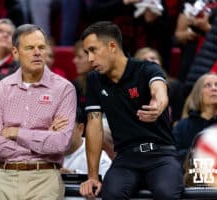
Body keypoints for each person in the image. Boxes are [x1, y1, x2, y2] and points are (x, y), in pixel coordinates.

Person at [79, 21, 184, 200]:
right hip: (125, 159)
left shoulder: (146, 68)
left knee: (166, 193)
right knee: (111, 194)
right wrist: (92, 176)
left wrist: (158, 105)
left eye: (93, 50)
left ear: (112, 46)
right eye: (87, 53)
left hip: (160, 154)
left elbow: (159, 90)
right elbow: (94, 125)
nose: (90, 59)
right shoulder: (95, 80)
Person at [0, 24, 77, 200]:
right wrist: (43, 139)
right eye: (30, 47)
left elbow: (61, 143)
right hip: (5, 178)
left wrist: (15, 133)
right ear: (15, 52)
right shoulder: (1, 88)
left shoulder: (64, 89)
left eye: (41, 47)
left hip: (45, 179)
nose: (37, 52)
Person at [173, 73, 217, 164]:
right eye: (207, 85)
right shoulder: (182, 126)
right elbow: (171, 156)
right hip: (192, 176)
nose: (214, 88)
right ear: (198, 94)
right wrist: (198, 152)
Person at [61, 107, 111, 177]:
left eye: (66, 128)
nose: (61, 133)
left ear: (80, 129)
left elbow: (106, 183)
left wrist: (75, 175)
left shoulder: (100, 158)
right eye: (57, 128)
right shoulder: (46, 153)